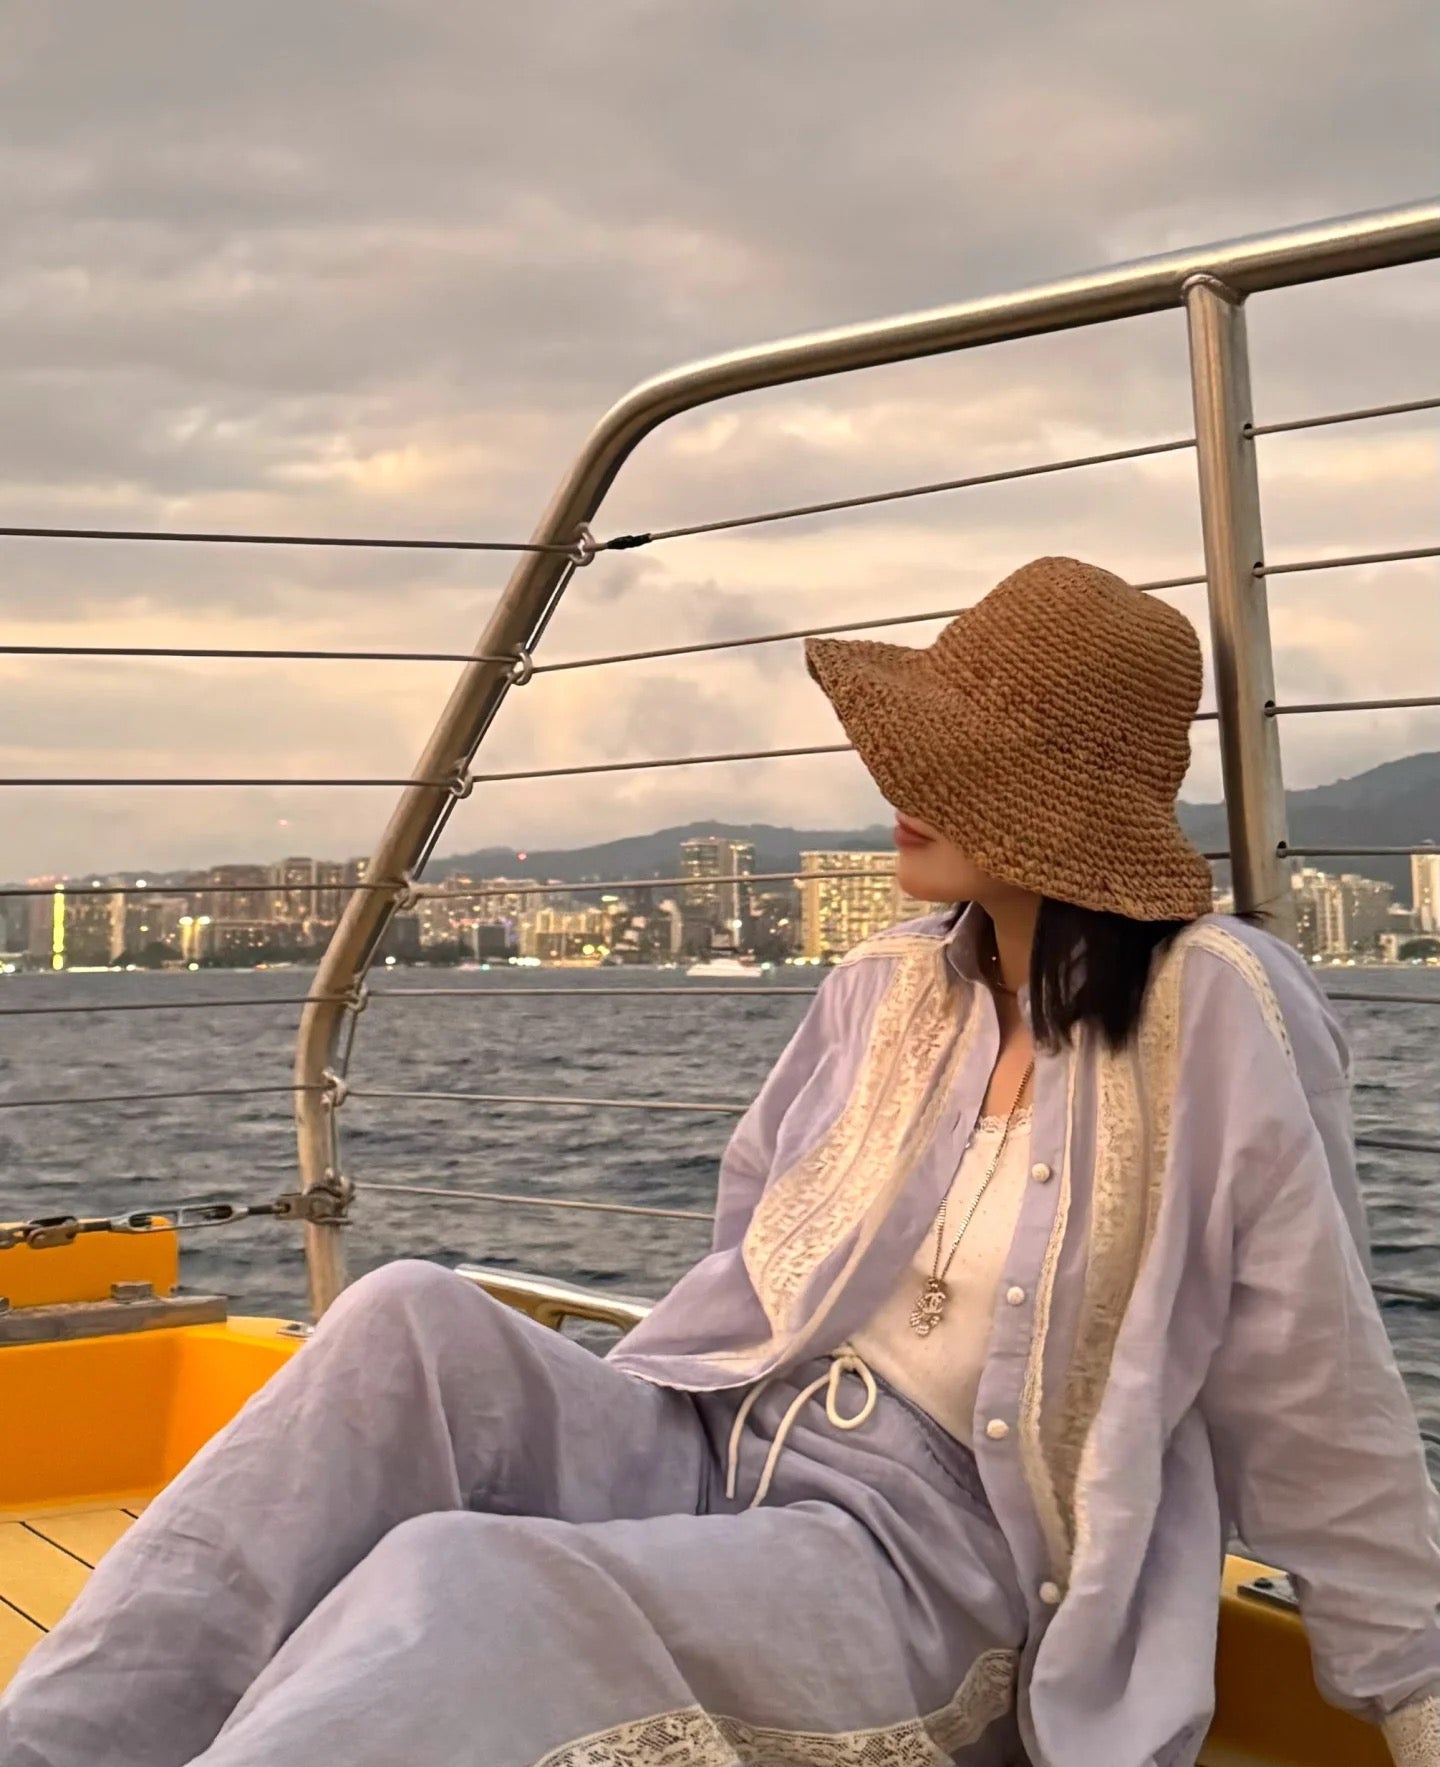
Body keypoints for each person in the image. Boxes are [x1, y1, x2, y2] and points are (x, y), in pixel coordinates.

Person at [3, 556, 1437, 1767]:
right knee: (406, 1318)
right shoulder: (883, 989)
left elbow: (1311, 1382)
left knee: (468, 1578)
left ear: (1058, 809)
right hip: (723, 1438)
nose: (895, 787)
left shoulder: (1216, 1013)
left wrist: (1417, 1686)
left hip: (930, 1572)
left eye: (950, 769)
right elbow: (750, 1261)